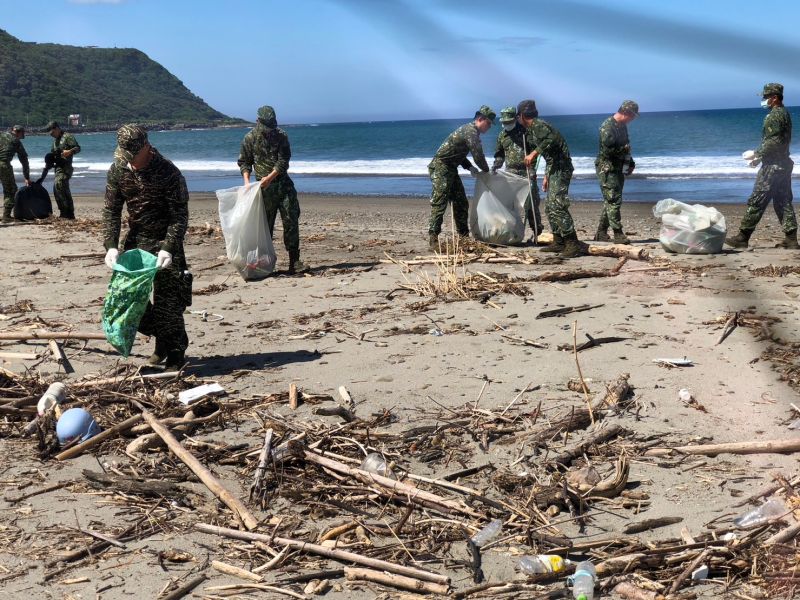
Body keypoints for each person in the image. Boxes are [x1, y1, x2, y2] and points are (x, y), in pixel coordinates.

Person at [102, 124, 191, 369]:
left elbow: (179, 215)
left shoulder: (169, 173)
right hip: (136, 241)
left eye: (134, 157)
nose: (131, 162)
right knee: (127, 301)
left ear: (146, 147)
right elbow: (111, 210)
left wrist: (169, 247)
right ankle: (164, 338)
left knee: (168, 304)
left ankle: (174, 352)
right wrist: (110, 245)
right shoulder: (119, 169)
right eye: (126, 157)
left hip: (165, 243)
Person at [726, 83, 797, 249]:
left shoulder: (774, 116)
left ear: (774, 98)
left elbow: (773, 141)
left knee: (757, 199)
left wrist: (756, 153)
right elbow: (780, 142)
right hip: (783, 164)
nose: (764, 100)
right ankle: (791, 239)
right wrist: (760, 158)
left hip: (772, 167)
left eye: (766, 97)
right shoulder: (784, 113)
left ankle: (742, 237)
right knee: (783, 201)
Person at [238, 105, 304, 273]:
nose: (269, 131)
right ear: (257, 122)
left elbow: (283, 161)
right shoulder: (249, 138)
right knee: (264, 227)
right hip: (263, 190)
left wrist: (270, 177)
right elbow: (244, 162)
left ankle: (294, 262)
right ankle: (263, 264)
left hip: (283, 186)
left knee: (291, 221)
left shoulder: (281, 136)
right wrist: (247, 183)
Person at [517, 99, 581, 257]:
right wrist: (546, 175)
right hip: (554, 169)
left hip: (561, 169)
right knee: (550, 207)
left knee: (557, 205)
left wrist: (533, 153)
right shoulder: (534, 128)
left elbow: (550, 141)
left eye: (518, 116)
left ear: (522, 116)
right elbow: (551, 155)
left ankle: (572, 243)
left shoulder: (538, 125)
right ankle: (559, 241)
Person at [428, 105, 495, 250]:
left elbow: (457, 153)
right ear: (480, 119)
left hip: (450, 168)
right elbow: (478, 155)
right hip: (440, 167)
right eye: (488, 123)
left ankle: (463, 237)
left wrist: (469, 167)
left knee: (461, 202)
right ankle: (433, 238)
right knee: (439, 202)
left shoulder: (470, 131)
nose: (489, 127)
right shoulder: (470, 132)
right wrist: (486, 171)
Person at [492, 106, 543, 241]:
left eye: (509, 122)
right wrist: (497, 164)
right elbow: (499, 155)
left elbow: (538, 148)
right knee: (510, 205)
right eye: (504, 122)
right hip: (510, 174)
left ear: (515, 119)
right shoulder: (502, 136)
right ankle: (512, 233)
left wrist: (532, 168)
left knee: (530, 205)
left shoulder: (526, 132)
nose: (506, 125)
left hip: (526, 172)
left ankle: (537, 231)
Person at [594, 100, 639, 244]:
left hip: (619, 167)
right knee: (614, 200)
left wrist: (630, 162)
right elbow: (608, 151)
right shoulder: (607, 126)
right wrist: (624, 151)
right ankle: (618, 234)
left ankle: (601, 232)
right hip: (607, 168)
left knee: (612, 200)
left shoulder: (622, 126)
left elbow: (626, 145)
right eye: (632, 116)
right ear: (626, 113)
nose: (633, 119)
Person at [46, 120, 81, 219]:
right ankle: (67, 213)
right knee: (59, 190)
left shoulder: (68, 137)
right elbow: (54, 155)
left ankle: (66, 212)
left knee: (59, 184)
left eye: (52, 132)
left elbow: (78, 148)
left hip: (66, 168)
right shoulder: (55, 142)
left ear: (57, 128)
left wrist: (69, 151)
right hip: (58, 168)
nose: (51, 135)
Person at [0, 125, 31, 221]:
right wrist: (26, 177)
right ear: (19, 132)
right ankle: (6, 216)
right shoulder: (16, 141)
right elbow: (24, 160)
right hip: (3, 165)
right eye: (22, 133)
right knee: (11, 190)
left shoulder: (1, 135)